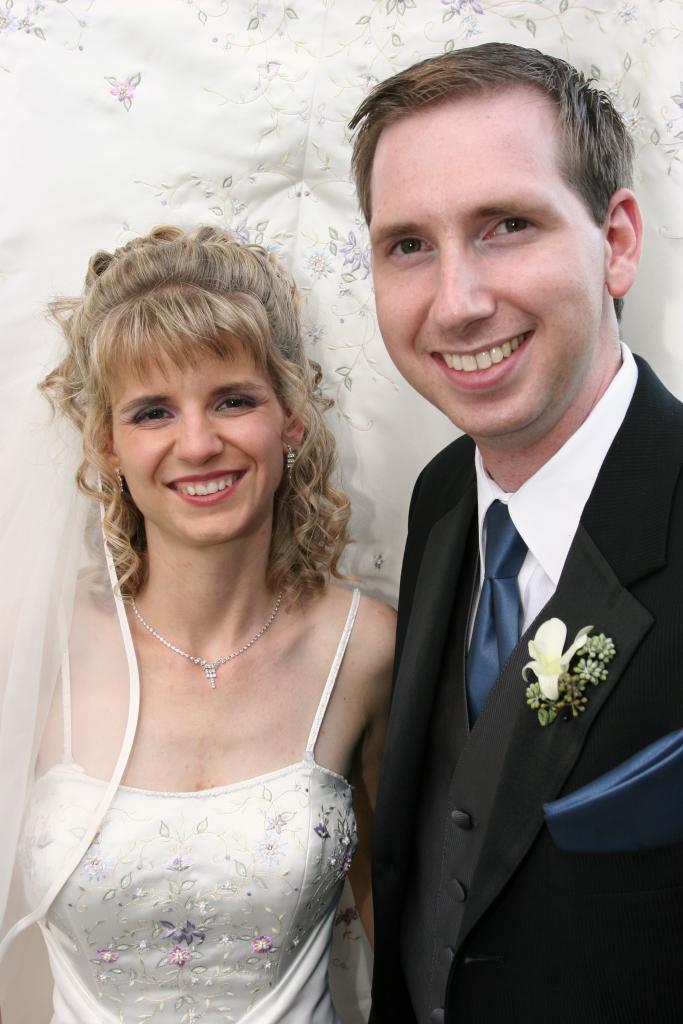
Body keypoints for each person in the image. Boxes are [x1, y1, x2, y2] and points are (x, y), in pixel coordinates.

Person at [348, 41, 683, 1024]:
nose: (456, 304)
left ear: (615, 240)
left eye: (506, 225)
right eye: (408, 245)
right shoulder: (439, 499)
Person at [0, 224, 394, 1022]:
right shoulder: (33, 643)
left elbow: (406, 929)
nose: (198, 443)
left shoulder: (365, 648)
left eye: (232, 400)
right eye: (152, 412)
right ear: (108, 445)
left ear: (290, 418)